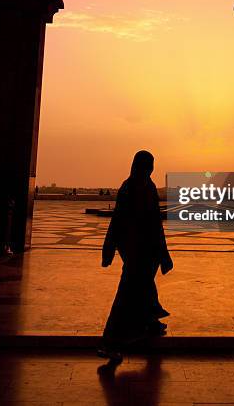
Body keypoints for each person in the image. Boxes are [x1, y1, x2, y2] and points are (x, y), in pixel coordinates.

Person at [98, 150, 173, 360]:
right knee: (127, 294)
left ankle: (151, 321)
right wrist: (109, 249)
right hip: (135, 249)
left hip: (146, 250)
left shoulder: (145, 187)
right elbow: (119, 220)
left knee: (144, 283)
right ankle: (109, 340)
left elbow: (155, 223)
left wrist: (163, 253)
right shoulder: (132, 188)